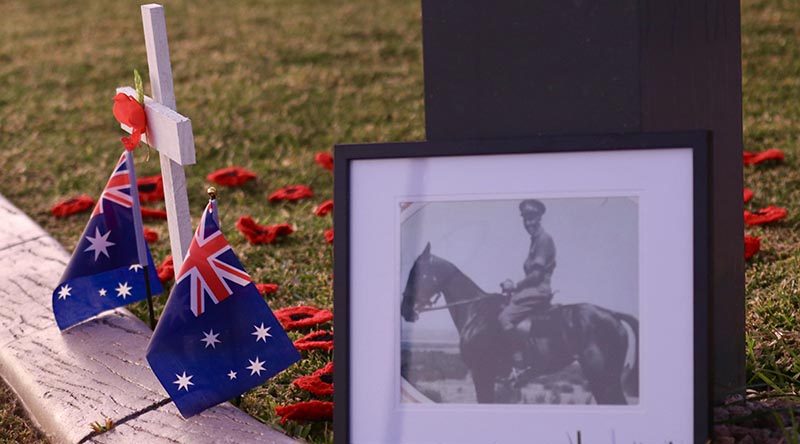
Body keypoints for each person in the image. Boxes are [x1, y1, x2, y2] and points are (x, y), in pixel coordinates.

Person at [498, 199, 556, 370]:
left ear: (539, 218)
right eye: (525, 218)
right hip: (532, 289)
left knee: (504, 317)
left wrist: (515, 286)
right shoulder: (536, 240)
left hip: (539, 290)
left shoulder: (544, 240)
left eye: (532, 218)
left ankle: (520, 361)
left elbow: (536, 274)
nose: (528, 222)